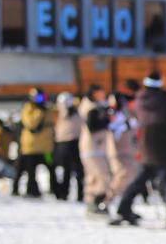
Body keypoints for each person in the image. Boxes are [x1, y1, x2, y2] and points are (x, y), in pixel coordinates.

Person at [111, 72, 166, 228]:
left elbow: (136, 119)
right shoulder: (164, 100)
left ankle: (123, 210)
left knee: (138, 182)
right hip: (164, 148)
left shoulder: (138, 100)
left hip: (145, 147)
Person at [15, 88, 57, 198]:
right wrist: (40, 111)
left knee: (51, 169)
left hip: (46, 148)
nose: (41, 101)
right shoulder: (28, 109)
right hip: (31, 147)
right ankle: (32, 190)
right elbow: (31, 123)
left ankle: (55, 190)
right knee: (30, 171)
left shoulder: (48, 109)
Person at [78, 85, 113, 218]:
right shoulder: (91, 108)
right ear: (94, 93)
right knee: (103, 176)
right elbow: (92, 126)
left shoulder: (92, 105)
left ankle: (91, 205)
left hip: (91, 147)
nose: (104, 93)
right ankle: (96, 203)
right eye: (101, 91)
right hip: (93, 147)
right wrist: (107, 121)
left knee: (92, 178)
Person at [106, 92, 140, 199]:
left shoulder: (127, 111)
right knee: (122, 176)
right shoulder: (110, 113)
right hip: (117, 151)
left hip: (129, 150)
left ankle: (124, 204)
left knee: (132, 176)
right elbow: (113, 128)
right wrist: (127, 125)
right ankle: (106, 199)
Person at [53, 92, 84, 201]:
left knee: (72, 171)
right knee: (73, 171)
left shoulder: (60, 114)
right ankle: (71, 194)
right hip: (68, 143)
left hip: (68, 144)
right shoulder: (61, 114)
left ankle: (67, 194)